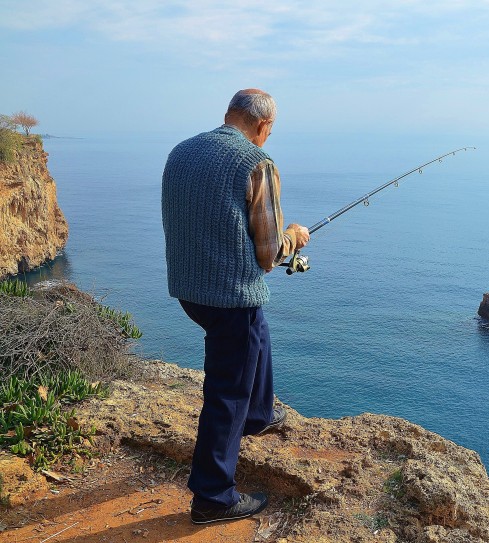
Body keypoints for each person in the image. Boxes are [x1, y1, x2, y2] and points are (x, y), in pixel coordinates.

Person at [161, 89, 309, 524]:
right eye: (270, 130)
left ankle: (259, 413)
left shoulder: (181, 152)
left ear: (230, 115)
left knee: (254, 333)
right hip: (228, 293)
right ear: (263, 126)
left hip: (190, 288)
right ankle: (212, 496)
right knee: (226, 391)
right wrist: (293, 238)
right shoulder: (255, 163)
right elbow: (267, 253)